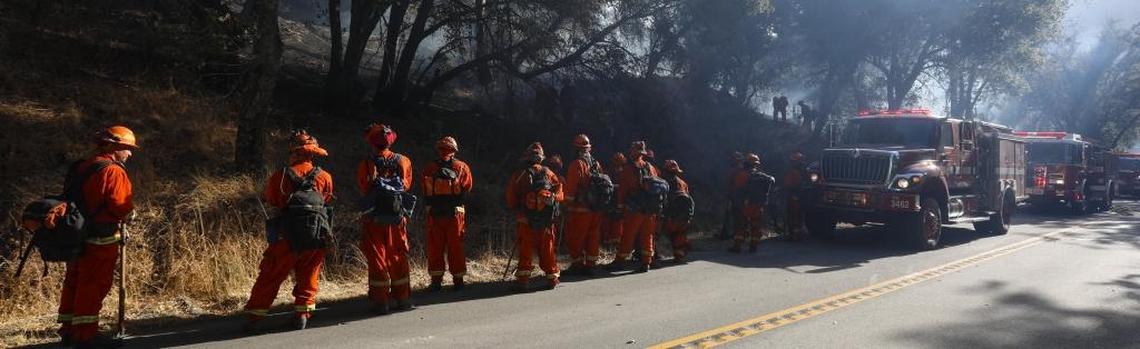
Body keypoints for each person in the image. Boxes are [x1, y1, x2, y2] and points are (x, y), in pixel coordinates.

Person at [243, 130, 334, 332]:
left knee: (271, 274)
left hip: (286, 236)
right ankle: (303, 314)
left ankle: (254, 317)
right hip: (315, 235)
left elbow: (272, 199)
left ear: (294, 152)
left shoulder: (280, 176)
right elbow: (326, 200)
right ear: (312, 153)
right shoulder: (325, 177)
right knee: (309, 274)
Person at [57, 126, 138, 349]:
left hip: (76, 237)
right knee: (93, 285)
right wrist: (132, 215)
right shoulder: (113, 171)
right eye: (127, 149)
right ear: (113, 147)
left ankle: (69, 332)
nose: (129, 154)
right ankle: (85, 336)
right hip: (100, 240)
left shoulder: (83, 166)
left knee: (74, 283)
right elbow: (122, 206)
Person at [358, 123, 415, 314]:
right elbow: (406, 185)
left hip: (374, 218)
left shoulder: (367, 163)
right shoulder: (404, 161)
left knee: (377, 259)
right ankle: (403, 299)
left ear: (372, 143)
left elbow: (365, 187)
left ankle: (381, 301)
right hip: (397, 217)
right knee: (398, 256)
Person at [506, 142, 564, 292]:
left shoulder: (519, 175)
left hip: (525, 220)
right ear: (541, 158)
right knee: (548, 249)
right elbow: (560, 195)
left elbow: (511, 198)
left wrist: (517, 211)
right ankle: (553, 279)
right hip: (546, 221)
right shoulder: (549, 173)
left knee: (526, 249)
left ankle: (523, 281)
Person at [422, 136, 474, 292]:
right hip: (455, 214)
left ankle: (436, 282)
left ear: (438, 150)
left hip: (435, 213)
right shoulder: (462, 167)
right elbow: (468, 187)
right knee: (456, 247)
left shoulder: (429, 168)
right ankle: (458, 281)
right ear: (454, 150)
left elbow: (424, 189)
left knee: (435, 247)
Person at [610, 141, 663, 273]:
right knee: (647, 235)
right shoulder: (651, 167)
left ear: (634, 152)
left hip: (635, 209)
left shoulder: (627, 169)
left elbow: (623, 190)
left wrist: (620, 207)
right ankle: (646, 262)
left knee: (628, 234)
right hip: (650, 208)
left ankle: (620, 261)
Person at [562, 134, 606, 276]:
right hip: (596, 208)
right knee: (593, 235)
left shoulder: (576, 164)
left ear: (576, 149)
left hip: (580, 209)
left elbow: (571, 188)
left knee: (575, 236)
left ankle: (578, 264)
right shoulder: (596, 164)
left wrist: (566, 204)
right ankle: (591, 265)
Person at [730, 153, 773, 253]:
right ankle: (753, 246)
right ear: (756, 164)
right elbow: (771, 181)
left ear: (746, 163)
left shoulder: (742, 175)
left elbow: (736, 190)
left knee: (740, 225)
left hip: (745, 204)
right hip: (758, 204)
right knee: (756, 225)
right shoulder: (762, 176)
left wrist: (735, 202)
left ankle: (737, 246)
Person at [661, 160, 693, 264]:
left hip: (668, 216)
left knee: (654, 235)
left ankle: (651, 258)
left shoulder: (662, 182)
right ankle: (679, 256)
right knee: (680, 235)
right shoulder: (683, 183)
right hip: (683, 217)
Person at [601, 152, 627, 246]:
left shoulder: (624, 172)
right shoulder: (609, 172)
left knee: (618, 222)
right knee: (609, 221)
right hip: (610, 200)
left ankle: (615, 243)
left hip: (618, 201)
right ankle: (608, 242)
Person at [783, 152, 807, 241]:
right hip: (794, 197)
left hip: (799, 197)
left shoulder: (801, 172)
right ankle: (794, 233)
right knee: (793, 215)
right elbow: (788, 186)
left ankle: (798, 233)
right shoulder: (792, 172)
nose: (801, 163)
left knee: (799, 215)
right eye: (800, 162)